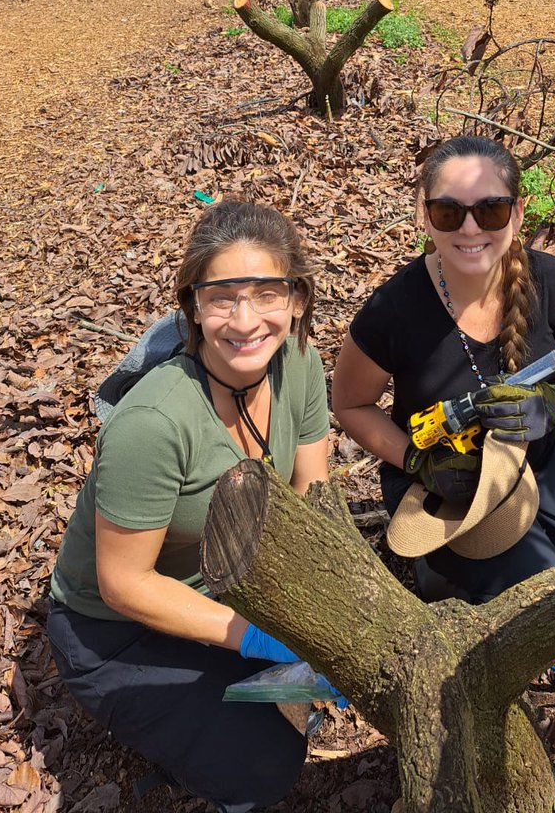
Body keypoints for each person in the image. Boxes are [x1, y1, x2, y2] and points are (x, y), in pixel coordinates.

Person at [47, 200, 332, 813]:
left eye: (266, 293)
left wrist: (321, 613)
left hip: (223, 583)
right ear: (194, 306)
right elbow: (123, 584)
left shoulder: (299, 363)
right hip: (113, 630)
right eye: (222, 296)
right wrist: (260, 638)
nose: (245, 319)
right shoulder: (153, 422)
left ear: (298, 300)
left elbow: (311, 488)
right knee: (265, 764)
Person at [331, 135, 555, 604]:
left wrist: (554, 404)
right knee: (539, 601)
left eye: (491, 210)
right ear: (426, 215)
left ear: (517, 213)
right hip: (444, 476)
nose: (470, 228)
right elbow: (351, 403)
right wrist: (417, 460)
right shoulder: (393, 308)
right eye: (449, 212)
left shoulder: (553, 281)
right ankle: (440, 573)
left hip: (538, 456)